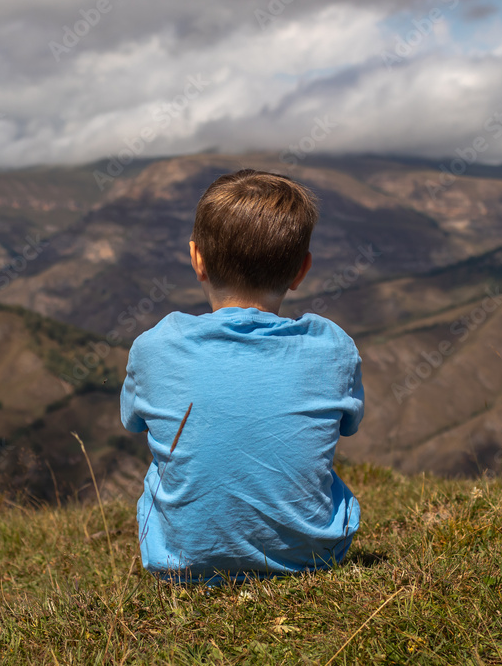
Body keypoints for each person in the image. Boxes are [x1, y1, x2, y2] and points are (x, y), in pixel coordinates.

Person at [120, 168, 364, 584]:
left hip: (182, 565)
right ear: (301, 270)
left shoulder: (154, 346)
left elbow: (132, 422)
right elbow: (349, 426)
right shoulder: (334, 347)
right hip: (314, 558)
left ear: (197, 259)